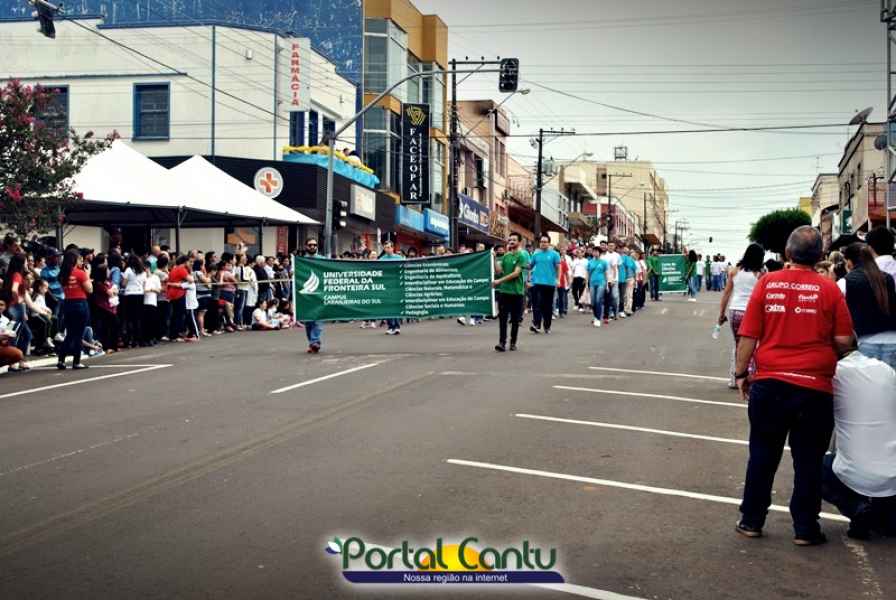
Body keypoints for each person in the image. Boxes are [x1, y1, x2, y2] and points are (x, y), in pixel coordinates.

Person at [734, 226, 856, 546]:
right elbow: (845, 340)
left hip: (770, 384)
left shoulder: (767, 283)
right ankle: (805, 528)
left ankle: (751, 520)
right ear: (819, 256)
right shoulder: (829, 289)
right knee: (809, 461)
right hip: (815, 388)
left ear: (788, 253)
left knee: (762, 454)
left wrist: (741, 374)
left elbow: (748, 336)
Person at [821, 352, 896, 540]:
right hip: (893, 476)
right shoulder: (885, 369)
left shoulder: (833, 374)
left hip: (857, 474)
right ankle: (881, 517)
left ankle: (857, 508)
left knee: (814, 466)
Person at [842, 242, 896, 370]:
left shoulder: (846, 281)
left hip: (866, 339)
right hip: (893, 338)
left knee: (870, 380)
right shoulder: (888, 278)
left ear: (849, 262)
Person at [718, 243, 764, 389]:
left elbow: (726, 293)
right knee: (752, 346)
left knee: (737, 344)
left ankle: (734, 378)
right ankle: (749, 377)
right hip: (751, 312)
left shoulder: (734, 271)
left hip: (735, 310)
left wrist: (721, 314)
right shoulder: (760, 273)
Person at [56, 250, 93, 370]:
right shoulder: (80, 273)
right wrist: (87, 274)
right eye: (79, 259)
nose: (81, 261)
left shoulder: (63, 274)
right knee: (78, 334)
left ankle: (61, 360)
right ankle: (76, 361)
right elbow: (90, 289)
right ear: (74, 260)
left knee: (70, 333)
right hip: (80, 303)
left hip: (67, 303)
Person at [492, 233, 527, 352]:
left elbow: (516, 273)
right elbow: (499, 271)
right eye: (510, 239)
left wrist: (499, 281)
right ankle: (502, 343)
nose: (511, 241)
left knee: (515, 320)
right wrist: (494, 259)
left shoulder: (521, 256)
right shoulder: (506, 256)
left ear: (519, 242)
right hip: (504, 292)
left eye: (514, 240)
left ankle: (513, 342)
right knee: (502, 319)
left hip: (517, 293)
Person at [1, 253, 32, 371]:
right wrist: (17, 300)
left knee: (24, 334)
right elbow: (14, 289)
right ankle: (14, 361)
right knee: (14, 335)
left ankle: (19, 360)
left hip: (15, 308)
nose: (27, 263)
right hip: (15, 308)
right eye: (25, 261)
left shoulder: (11, 274)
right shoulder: (17, 275)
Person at [529, 235, 560, 334]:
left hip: (549, 283)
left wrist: (558, 279)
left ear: (549, 243)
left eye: (545, 242)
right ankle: (537, 325)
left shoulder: (554, 254)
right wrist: (521, 264)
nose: (543, 243)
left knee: (547, 306)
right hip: (537, 282)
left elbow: (558, 267)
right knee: (537, 304)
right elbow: (530, 266)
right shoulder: (536, 254)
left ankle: (547, 326)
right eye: (541, 242)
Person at [91, 265, 119, 354]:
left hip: (110, 306)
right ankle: (107, 346)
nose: (108, 272)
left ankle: (114, 346)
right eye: (107, 271)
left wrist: (113, 290)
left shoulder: (106, 282)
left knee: (114, 325)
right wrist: (112, 290)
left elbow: (116, 290)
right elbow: (110, 292)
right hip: (103, 307)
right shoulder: (98, 283)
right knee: (106, 327)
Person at [301, 239, 324, 352]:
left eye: (315, 245)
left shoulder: (322, 260)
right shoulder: (300, 261)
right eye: (310, 245)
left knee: (318, 319)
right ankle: (312, 342)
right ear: (306, 246)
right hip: (305, 296)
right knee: (309, 321)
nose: (312, 247)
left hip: (320, 294)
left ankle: (315, 341)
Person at [379, 240, 404, 335]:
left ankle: (397, 327)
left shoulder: (399, 258)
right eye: (385, 248)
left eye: (389, 247)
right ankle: (390, 327)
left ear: (393, 248)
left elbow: (403, 269)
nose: (387, 249)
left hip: (396, 285)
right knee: (388, 306)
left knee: (395, 306)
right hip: (386, 286)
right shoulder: (381, 259)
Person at [120, 255, 146, 348]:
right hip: (140, 294)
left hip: (129, 294)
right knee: (139, 318)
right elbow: (144, 284)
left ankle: (130, 340)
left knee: (129, 318)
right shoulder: (143, 271)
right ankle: (139, 340)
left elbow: (124, 283)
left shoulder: (128, 270)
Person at [27, 278, 55, 356]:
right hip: (35, 315)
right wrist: (45, 310)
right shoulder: (36, 295)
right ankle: (43, 343)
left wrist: (47, 309)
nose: (47, 290)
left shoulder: (42, 296)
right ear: (40, 287)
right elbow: (35, 306)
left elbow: (43, 305)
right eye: (45, 287)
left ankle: (48, 339)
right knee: (45, 323)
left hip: (41, 314)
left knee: (53, 320)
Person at [166, 255, 191, 341]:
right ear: (185, 262)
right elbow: (191, 280)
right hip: (178, 293)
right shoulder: (181, 269)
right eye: (189, 262)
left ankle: (172, 334)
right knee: (179, 315)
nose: (189, 263)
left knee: (175, 315)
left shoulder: (174, 269)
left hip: (172, 293)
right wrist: (184, 282)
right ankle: (175, 335)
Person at [0, 298, 25, 371]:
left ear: (5, 307)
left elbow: (7, 333)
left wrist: (9, 336)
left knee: (18, 354)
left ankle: (12, 364)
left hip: (1, 345)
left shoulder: (6, 320)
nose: (0, 307)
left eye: (1, 305)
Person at [587, 247, 608, 327]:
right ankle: (595, 317)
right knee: (593, 302)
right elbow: (588, 273)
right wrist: (586, 284)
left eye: (596, 252)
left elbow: (606, 273)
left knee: (598, 300)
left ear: (599, 253)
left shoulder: (604, 262)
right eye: (594, 252)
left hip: (601, 282)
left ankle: (598, 319)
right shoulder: (590, 262)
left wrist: (607, 284)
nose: (595, 253)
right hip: (592, 283)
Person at [142, 263, 161, 346]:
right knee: (145, 322)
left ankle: (152, 338)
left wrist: (152, 289)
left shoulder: (155, 277)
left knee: (152, 321)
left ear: (149, 268)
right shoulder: (142, 278)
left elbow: (159, 290)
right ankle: (146, 339)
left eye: (146, 268)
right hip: (143, 302)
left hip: (152, 302)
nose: (145, 270)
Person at [603, 242, 621, 320]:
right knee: (608, 297)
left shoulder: (617, 255)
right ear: (607, 246)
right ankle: (609, 313)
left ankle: (616, 312)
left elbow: (618, 267)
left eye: (612, 246)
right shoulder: (604, 256)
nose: (611, 247)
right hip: (606, 279)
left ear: (614, 246)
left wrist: (614, 278)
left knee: (614, 296)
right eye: (609, 245)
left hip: (614, 279)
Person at [621, 248, 637, 317]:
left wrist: (635, 280)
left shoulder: (631, 260)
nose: (625, 253)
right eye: (624, 252)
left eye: (626, 252)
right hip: (622, 279)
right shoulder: (620, 258)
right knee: (624, 295)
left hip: (630, 278)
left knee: (629, 295)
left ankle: (628, 309)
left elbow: (634, 270)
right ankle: (623, 309)